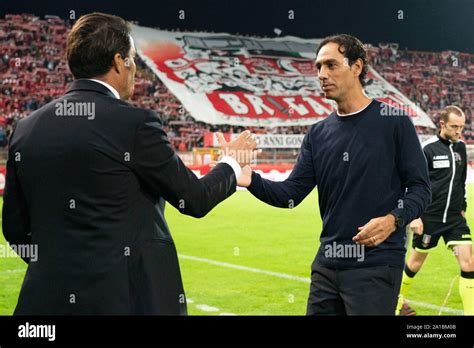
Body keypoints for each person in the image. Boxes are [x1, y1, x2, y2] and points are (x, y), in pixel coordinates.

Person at [2, 12, 257, 315]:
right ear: (118, 61)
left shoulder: (26, 129)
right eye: (133, 59)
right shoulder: (135, 124)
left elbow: (16, 230)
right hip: (125, 302)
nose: (136, 68)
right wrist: (230, 162)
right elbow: (194, 199)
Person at [235, 34, 431, 315]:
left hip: (376, 265)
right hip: (327, 265)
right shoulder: (317, 133)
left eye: (331, 65)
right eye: (318, 67)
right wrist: (250, 179)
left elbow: (420, 188)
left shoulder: (394, 121)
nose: (322, 74)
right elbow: (290, 194)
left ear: (357, 67)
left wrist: (393, 220)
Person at [397, 105, 473, 315]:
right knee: (415, 263)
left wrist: (463, 208)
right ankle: (397, 299)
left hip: (455, 219)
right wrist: (415, 215)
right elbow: (411, 182)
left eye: (462, 127)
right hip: (429, 218)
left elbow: (461, 181)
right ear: (442, 124)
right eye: (454, 127)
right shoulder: (427, 149)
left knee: (469, 261)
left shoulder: (460, 148)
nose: (459, 131)